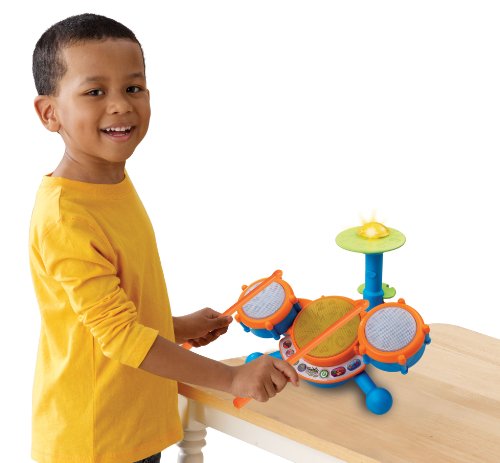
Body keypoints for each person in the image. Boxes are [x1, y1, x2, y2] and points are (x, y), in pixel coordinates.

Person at [30, 13, 299, 463]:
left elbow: (104, 317)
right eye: (95, 92)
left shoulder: (109, 184)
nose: (120, 105)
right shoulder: (66, 218)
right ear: (49, 113)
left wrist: (176, 326)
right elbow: (119, 336)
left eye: (133, 87)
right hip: (96, 442)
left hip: (134, 427)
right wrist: (233, 379)